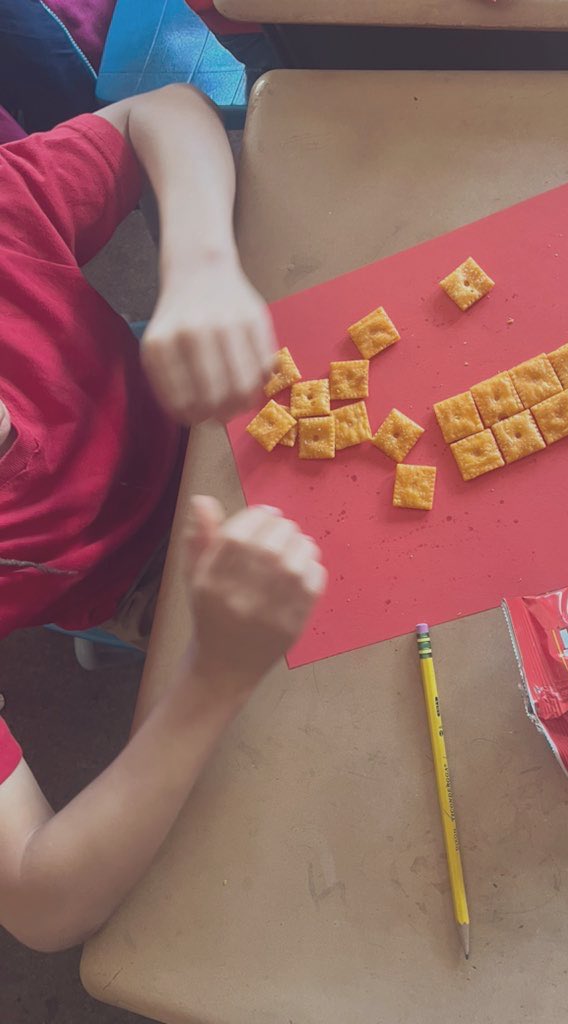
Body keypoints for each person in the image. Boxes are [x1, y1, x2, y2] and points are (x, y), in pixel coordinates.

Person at [0, 83, 326, 951]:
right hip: (138, 591)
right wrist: (213, 675)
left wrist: (200, 263)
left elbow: (164, 111)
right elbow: (39, 903)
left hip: (200, 419)